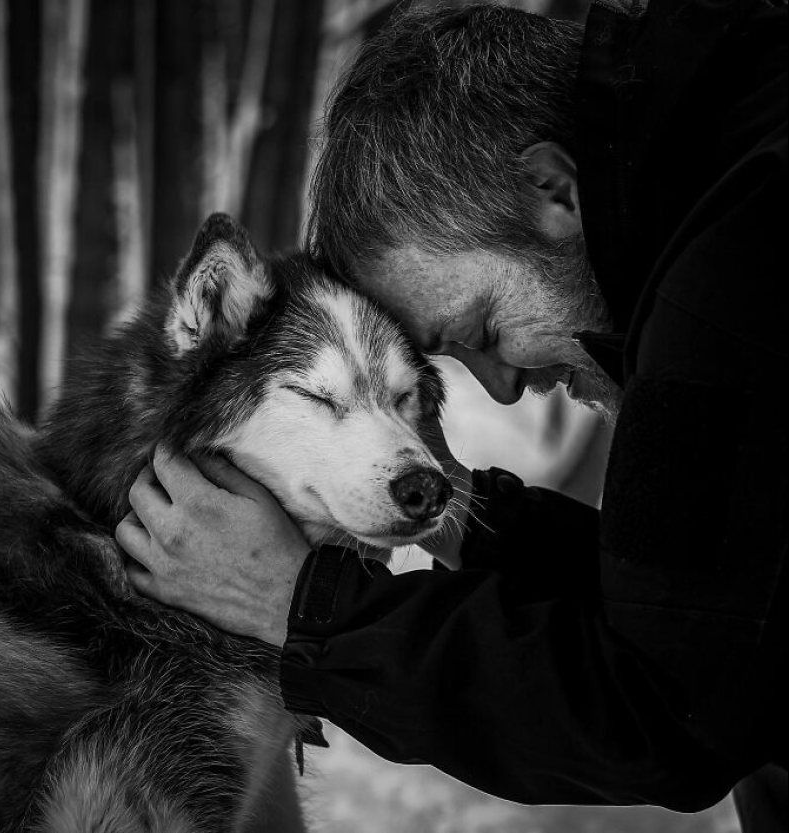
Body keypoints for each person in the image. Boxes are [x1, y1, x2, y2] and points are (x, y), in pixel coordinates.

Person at [115, 2, 787, 830]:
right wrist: (467, 521)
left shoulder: (737, 276)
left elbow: (671, 714)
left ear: (552, 191)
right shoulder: (745, 160)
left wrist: (307, 609)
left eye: (477, 331)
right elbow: (731, 613)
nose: (503, 388)